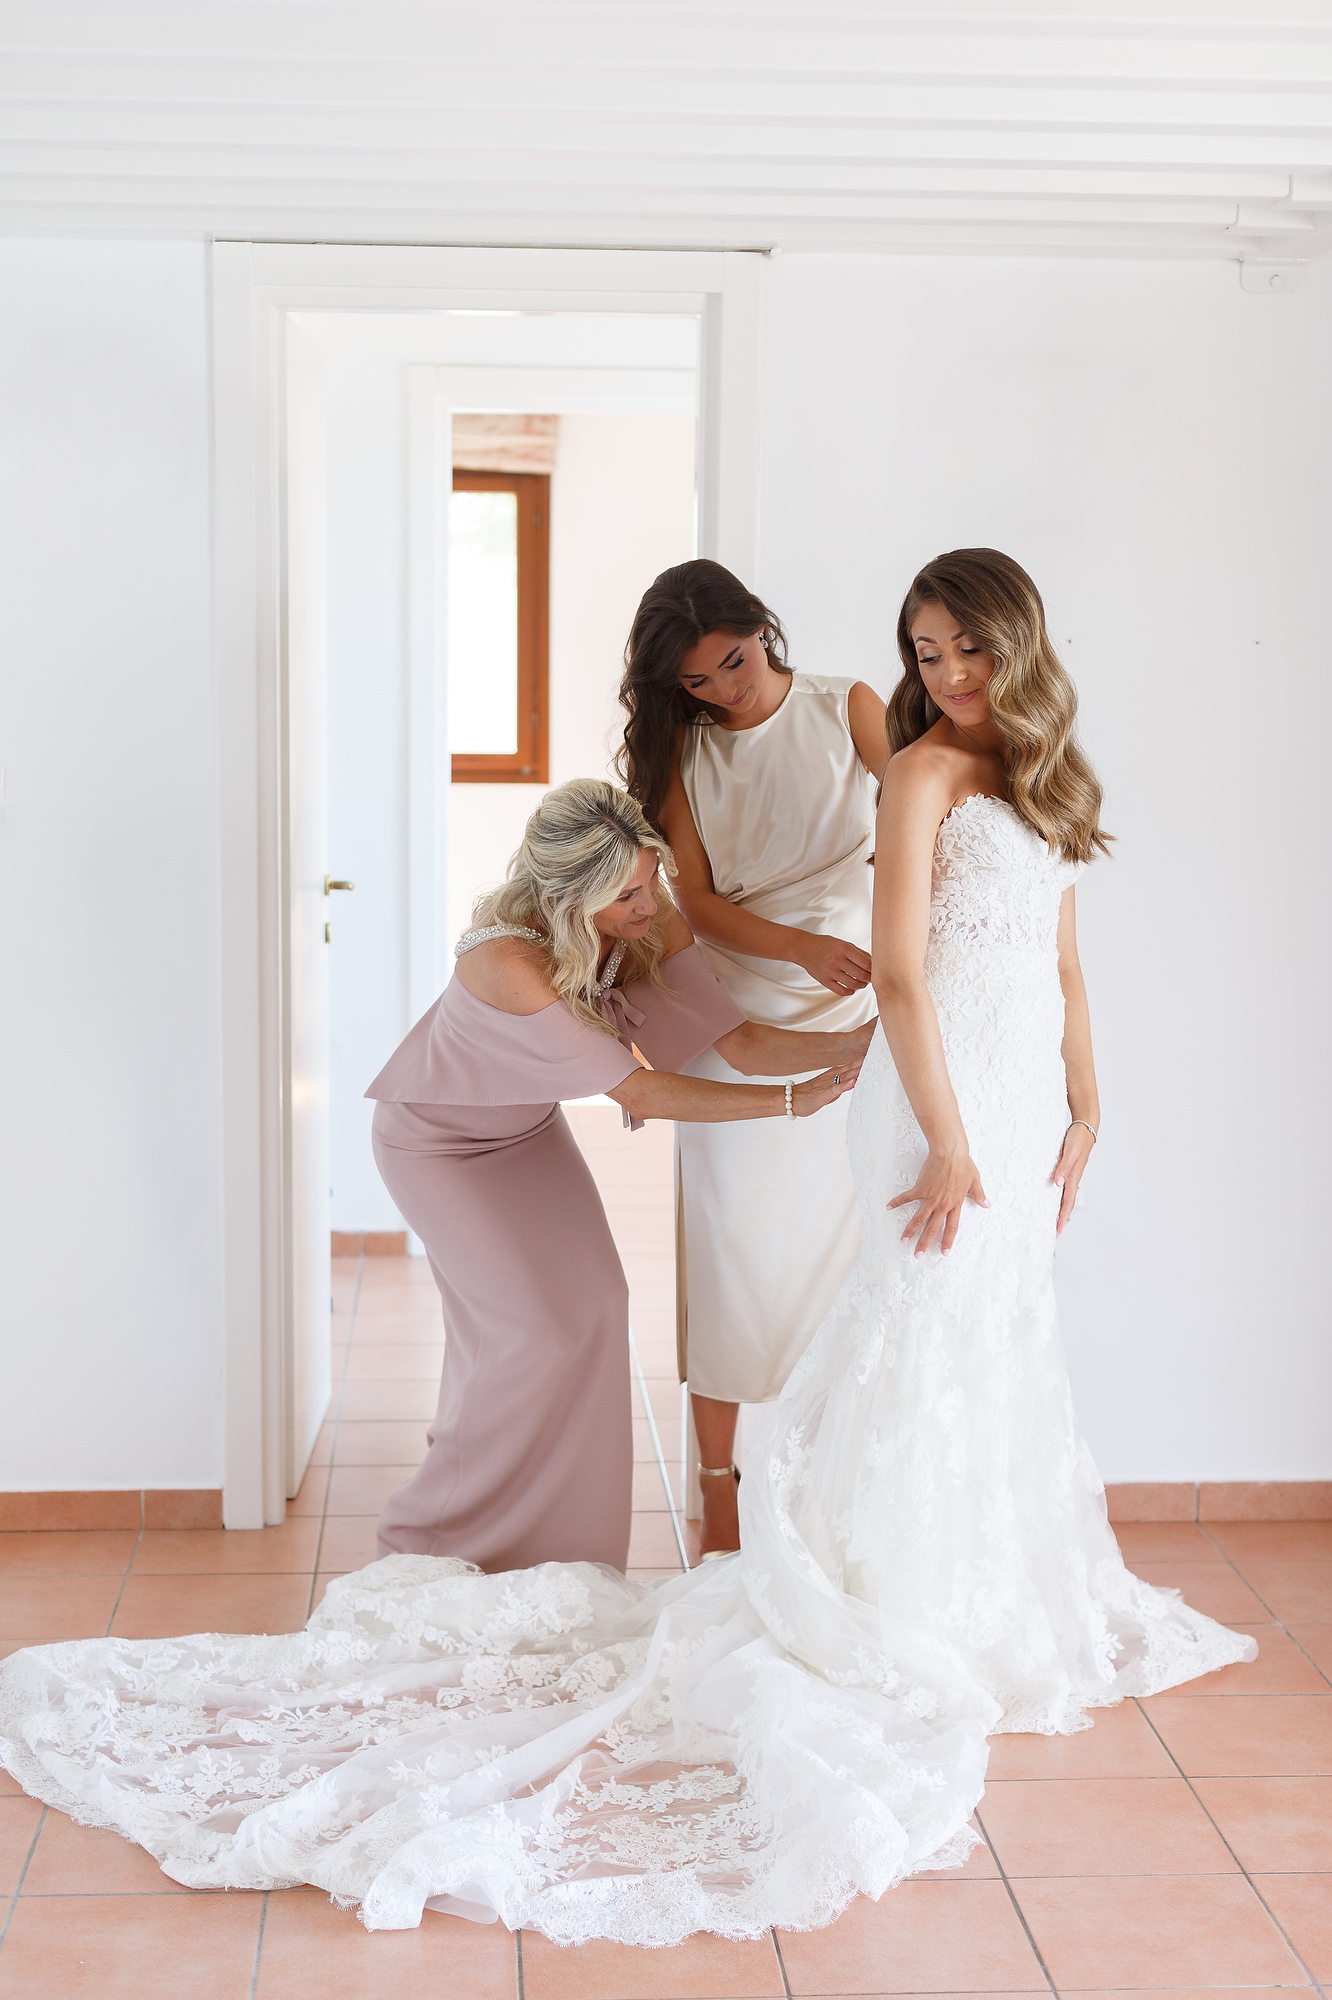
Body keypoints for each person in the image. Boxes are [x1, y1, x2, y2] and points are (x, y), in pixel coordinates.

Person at [0, 552, 1254, 1949]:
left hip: (908, 1097)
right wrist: (890, 1114)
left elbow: (957, 979)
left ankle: (706, 1548)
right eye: (928, 651)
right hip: (526, 1134)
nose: (948, 673)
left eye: (966, 648)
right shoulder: (559, 946)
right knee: (599, 1327)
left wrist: (1047, 1096)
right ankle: (521, 1539)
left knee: (665, 1314)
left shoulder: (953, 796)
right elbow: (726, 1053)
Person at [367, 778, 870, 1574]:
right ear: (569, 895)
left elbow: (738, 1043)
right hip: (436, 1148)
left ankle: (562, 1553)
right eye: (626, 894)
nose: (649, 902)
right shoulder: (506, 960)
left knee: (599, 1306)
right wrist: (790, 1102)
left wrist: (864, 1043)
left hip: (524, 1135)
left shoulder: (645, 918)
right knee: (530, 1335)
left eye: (650, 878)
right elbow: (638, 1091)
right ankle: (429, 1537)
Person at [618, 560, 887, 1555]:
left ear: (760, 630)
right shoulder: (683, 751)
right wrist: (799, 946)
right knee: (730, 1256)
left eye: (733, 662)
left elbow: (922, 813)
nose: (724, 690)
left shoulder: (846, 706)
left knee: (850, 1260)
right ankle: (718, 1488)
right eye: (697, 680)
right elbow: (696, 902)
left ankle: (834, 1480)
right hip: (737, 1011)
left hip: (857, 999)